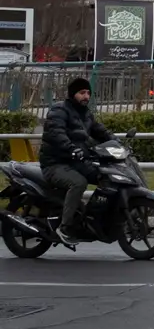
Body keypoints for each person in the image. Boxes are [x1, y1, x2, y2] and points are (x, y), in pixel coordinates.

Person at [41, 77, 111, 246]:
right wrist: (71, 148)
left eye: (88, 93)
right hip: (55, 163)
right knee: (79, 183)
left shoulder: (86, 114)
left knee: (107, 177)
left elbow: (101, 132)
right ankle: (65, 227)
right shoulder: (59, 110)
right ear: (73, 94)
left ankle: (91, 219)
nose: (86, 96)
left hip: (76, 161)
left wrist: (118, 144)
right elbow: (57, 134)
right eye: (82, 93)